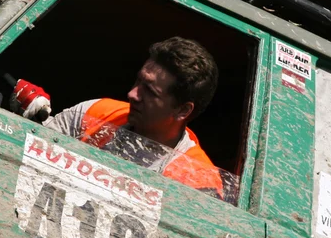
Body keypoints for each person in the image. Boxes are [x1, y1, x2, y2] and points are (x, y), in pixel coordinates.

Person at [11, 37, 224, 199]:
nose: (132, 94)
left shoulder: (198, 181)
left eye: (149, 91)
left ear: (183, 111)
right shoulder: (95, 113)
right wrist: (31, 120)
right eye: (138, 81)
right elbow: (30, 155)